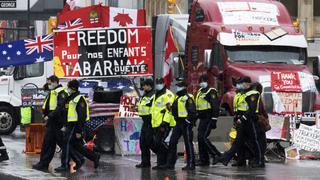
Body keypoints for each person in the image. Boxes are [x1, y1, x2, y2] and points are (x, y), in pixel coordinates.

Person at [214, 77, 263, 168]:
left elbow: (251, 109)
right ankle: (226, 158)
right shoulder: (243, 94)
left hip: (249, 120)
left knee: (253, 141)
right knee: (238, 142)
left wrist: (243, 118)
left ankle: (260, 161)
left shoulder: (253, 94)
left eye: (242, 83)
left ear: (247, 83)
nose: (240, 85)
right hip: (242, 120)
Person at [55, 80, 100, 172]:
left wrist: (79, 131)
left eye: (68, 86)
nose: (67, 88)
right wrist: (64, 125)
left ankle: (65, 165)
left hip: (76, 125)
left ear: (72, 88)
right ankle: (93, 156)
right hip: (69, 125)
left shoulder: (79, 99)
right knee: (76, 145)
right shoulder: (69, 98)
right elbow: (65, 113)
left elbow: (82, 116)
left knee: (66, 143)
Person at [33, 75, 69, 171]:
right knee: (48, 143)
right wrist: (45, 113)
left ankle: (78, 158)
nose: (49, 85)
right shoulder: (53, 92)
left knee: (63, 144)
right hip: (52, 121)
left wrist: (49, 115)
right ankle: (43, 164)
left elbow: (60, 107)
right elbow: (49, 105)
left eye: (50, 83)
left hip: (58, 121)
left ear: (55, 82)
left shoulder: (61, 92)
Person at [165, 79, 197, 170]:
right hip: (178, 123)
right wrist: (169, 108)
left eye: (179, 86)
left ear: (184, 87)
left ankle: (191, 164)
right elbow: (176, 111)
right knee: (172, 142)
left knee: (188, 143)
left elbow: (192, 111)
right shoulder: (178, 98)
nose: (177, 88)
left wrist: (187, 121)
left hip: (185, 124)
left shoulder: (188, 97)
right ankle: (170, 163)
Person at [195, 75, 221, 166]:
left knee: (203, 137)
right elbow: (198, 105)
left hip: (209, 117)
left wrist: (214, 119)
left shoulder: (211, 91)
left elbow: (215, 106)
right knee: (200, 138)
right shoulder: (200, 91)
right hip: (202, 118)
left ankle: (216, 155)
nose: (201, 83)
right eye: (200, 81)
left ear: (207, 81)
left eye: (203, 81)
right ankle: (204, 160)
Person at [150, 78, 175, 170]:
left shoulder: (168, 95)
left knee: (159, 142)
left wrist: (164, 123)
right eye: (157, 83)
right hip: (156, 123)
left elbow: (169, 110)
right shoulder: (156, 94)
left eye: (160, 83)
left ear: (164, 83)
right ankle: (161, 163)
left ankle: (170, 158)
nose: (158, 85)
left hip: (164, 123)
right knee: (157, 144)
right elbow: (154, 109)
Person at [135, 78, 155, 168]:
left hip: (151, 121)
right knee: (143, 142)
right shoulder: (145, 94)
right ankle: (145, 162)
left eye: (144, 85)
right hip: (145, 121)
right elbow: (143, 106)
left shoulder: (153, 95)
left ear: (149, 85)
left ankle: (163, 157)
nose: (143, 87)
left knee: (150, 142)